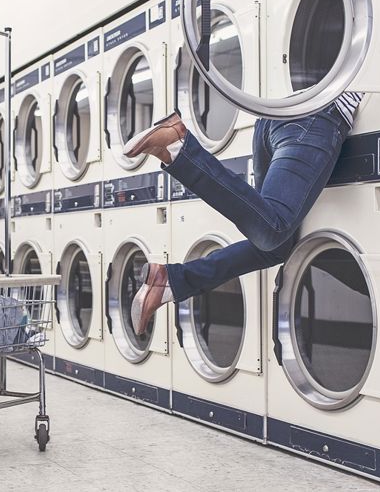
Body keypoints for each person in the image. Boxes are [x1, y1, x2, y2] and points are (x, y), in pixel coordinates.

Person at [122, 92, 363, 334]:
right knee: (272, 230)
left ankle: (170, 281)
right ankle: (178, 146)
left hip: (275, 119)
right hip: (317, 119)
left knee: (274, 246)